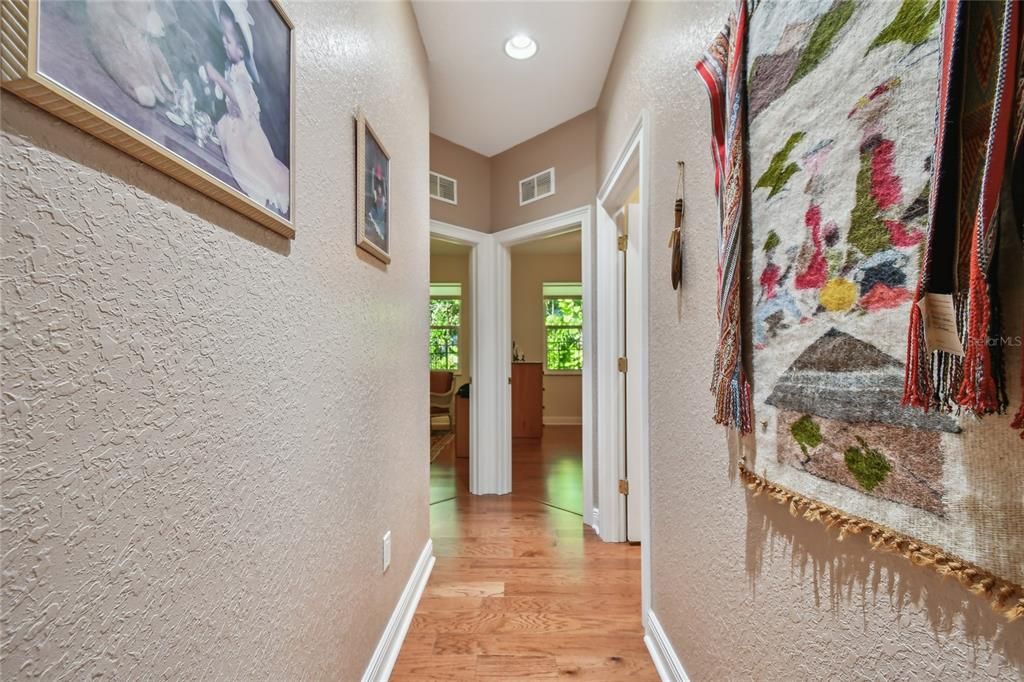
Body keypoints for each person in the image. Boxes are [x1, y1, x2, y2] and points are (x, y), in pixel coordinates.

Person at [204, 1, 289, 216]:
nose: (224, 43)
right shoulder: (232, 68)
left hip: (246, 131)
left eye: (228, 40)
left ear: (241, 51)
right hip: (236, 123)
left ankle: (270, 195)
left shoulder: (241, 75)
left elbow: (241, 106)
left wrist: (217, 79)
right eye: (224, 37)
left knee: (251, 169)